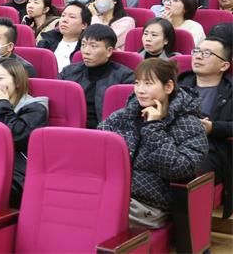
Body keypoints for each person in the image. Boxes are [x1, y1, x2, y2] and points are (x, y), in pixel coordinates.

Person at [99, 58, 208, 228]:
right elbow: (97, 149)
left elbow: (178, 169)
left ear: (168, 87)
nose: (140, 90)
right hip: (111, 193)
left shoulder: (189, 124)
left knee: (94, 215)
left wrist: (153, 127)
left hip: (149, 205)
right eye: (137, 83)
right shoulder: (123, 116)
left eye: (148, 83)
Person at [178, 37, 232, 218]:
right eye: (196, 51)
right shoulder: (179, 83)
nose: (198, 56)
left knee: (183, 170)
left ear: (224, 65)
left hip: (211, 149)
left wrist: (213, 128)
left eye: (207, 53)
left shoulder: (230, 90)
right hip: (174, 142)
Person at [0, 58, 49, 206]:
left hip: (19, 172)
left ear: (18, 82)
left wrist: (2, 103)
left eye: (0, 78)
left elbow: (16, 136)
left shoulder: (36, 108)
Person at [58, 24, 134, 128]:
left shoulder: (125, 77)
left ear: (109, 51)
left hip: (106, 131)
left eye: (93, 46)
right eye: (83, 45)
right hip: (71, 129)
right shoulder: (68, 73)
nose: (86, 51)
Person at [37, 2, 90, 71]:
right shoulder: (45, 43)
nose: (64, 20)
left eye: (72, 17)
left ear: (84, 25)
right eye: (63, 15)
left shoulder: (86, 50)